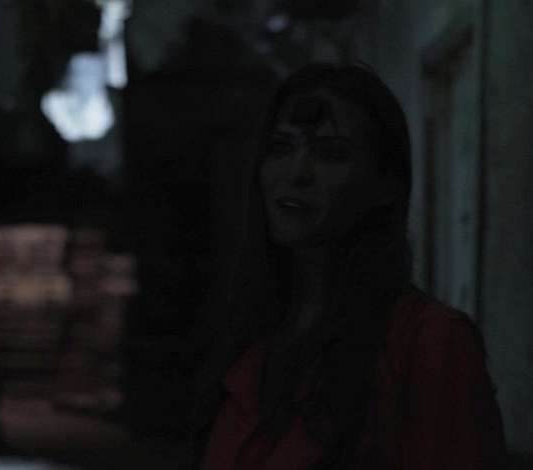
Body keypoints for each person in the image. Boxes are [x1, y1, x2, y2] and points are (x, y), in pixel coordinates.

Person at [192, 63, 507, 469]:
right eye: (281, 147)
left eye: (331, 153)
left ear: (385, 185)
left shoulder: (429, 342)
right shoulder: (252, 335)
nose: (297, 172)